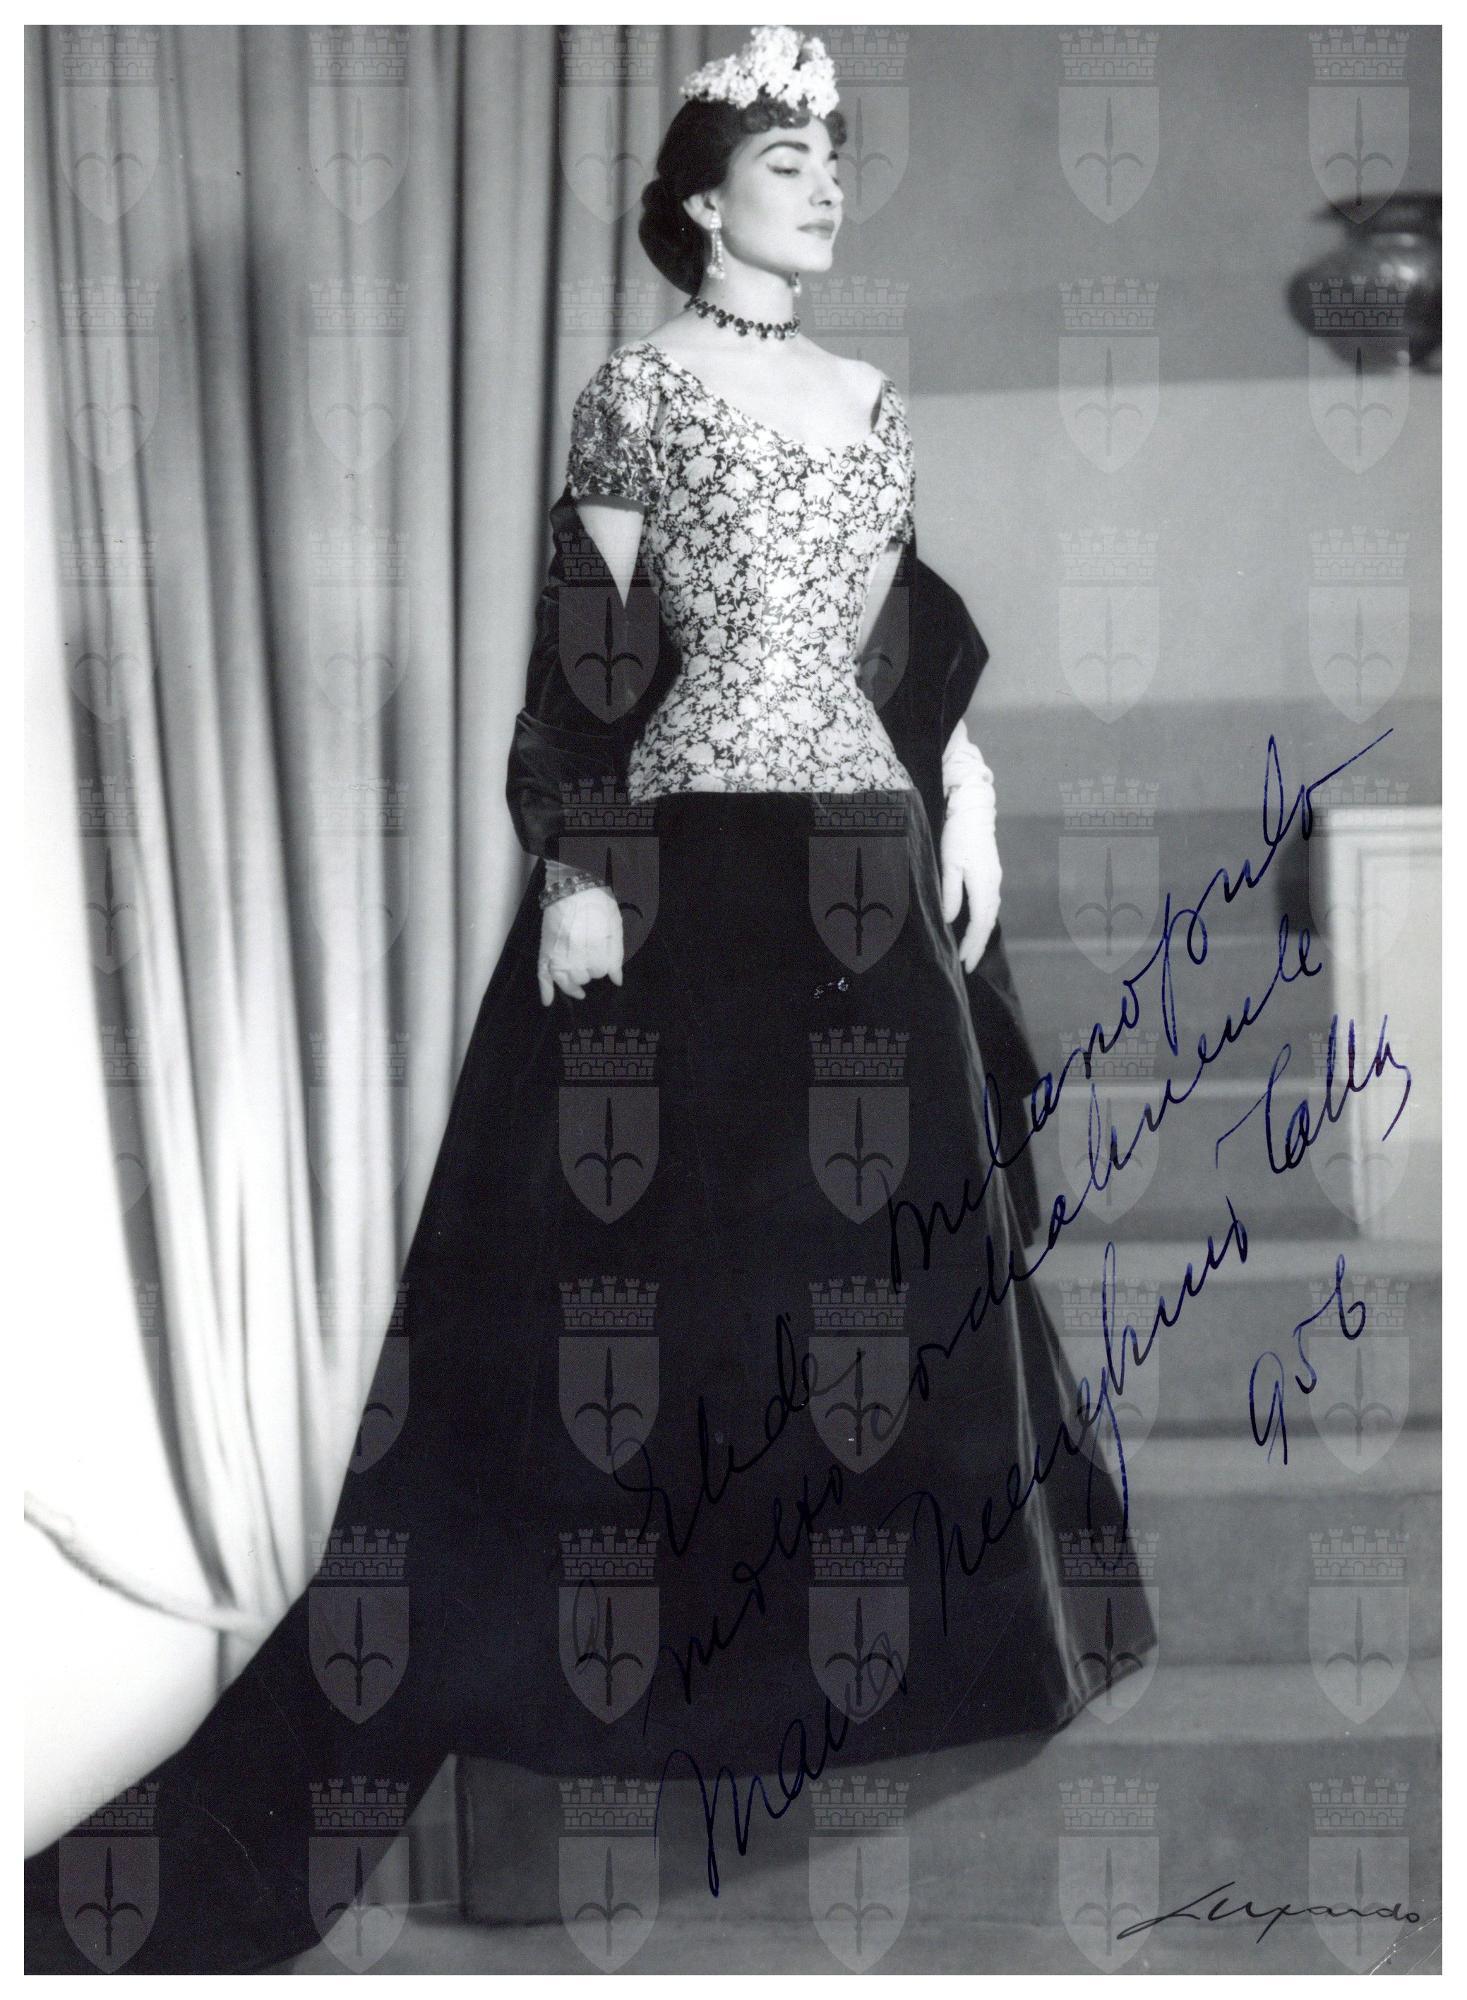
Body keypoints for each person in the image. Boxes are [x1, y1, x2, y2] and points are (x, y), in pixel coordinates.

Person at [25, 27, 1154, 1974]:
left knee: (882, 1294)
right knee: (654, 1299)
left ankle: (838, 1681)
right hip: (699, 882)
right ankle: (617, 1717)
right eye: (783, 159)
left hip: (863, 871)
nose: (823, 182)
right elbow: (591, 645)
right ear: (701, 201)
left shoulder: (865, 400)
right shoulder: (635, 391)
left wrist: (964, 787)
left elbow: (892, 632)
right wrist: (574, 865)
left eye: (833, 154)